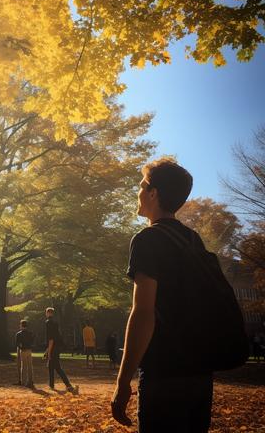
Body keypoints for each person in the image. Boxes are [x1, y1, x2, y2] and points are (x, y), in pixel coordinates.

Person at [111, 158, 214, 432]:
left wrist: (123, 383)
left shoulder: (147, 239)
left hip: (165, 371)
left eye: (142, 186)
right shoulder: (194, 240)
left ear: (153, 193)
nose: (138, 191)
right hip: (201, 372)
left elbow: (144, 313)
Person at [44, 307, 76, 393]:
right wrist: (47, 350)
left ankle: (69, 385)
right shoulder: (55, 323)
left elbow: (51, 339)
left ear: (48, 313)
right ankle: (51, 384)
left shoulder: (48, 323)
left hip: (53, 347)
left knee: (57, 368)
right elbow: (56, 336)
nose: (46, 314)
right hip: (57, 347)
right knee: (51, 366)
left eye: (46, 312)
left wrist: (49, 352)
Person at [15, 319, 34, 388]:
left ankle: (23, 382)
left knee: (23, 366)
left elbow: (17, 343)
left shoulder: (19, 334)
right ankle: (30, 381)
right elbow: (32, 341)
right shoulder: (30, 333)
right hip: (29, 350)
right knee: (30, 366)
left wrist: (21, 347)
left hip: (23, 350)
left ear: (21, 325)